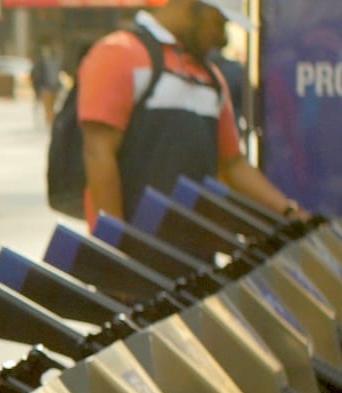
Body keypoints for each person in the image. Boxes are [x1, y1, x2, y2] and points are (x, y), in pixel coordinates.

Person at [77, 0, 309, 230]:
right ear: (193, 8)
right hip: (137, 252)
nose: (222, 38)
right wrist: (114, 244)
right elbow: (98, 153)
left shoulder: (212, 79)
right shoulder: (119, 54)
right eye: (219, 23)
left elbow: (233, 164)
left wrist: (289, 211)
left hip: (194, 250)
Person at [30, 43, 62, 128]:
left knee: (52, 107)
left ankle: (51, 122)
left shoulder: (56, 61)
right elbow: (36, 76)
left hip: (54, 87)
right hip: (46, 87)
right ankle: (50, 123)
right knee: (48, 107)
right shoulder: (42, 63)